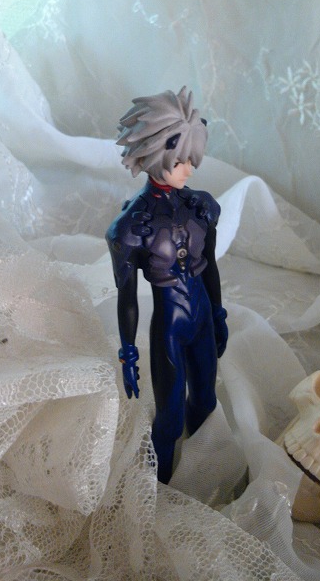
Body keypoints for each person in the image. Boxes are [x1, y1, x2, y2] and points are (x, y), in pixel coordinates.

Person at [106, 87, 228, 484]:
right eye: (180, 160)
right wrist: (128, 351)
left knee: (205, 402)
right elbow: (127, 297)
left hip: (202, 316)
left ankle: (200, 474)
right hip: (170, 327)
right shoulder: (130, 228)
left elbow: (210, 266)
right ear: (152, 153)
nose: (188, 169)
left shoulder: (201, 206)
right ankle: (159, 491)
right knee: (170, 418)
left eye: (192, 158)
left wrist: (219, 313)